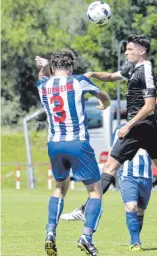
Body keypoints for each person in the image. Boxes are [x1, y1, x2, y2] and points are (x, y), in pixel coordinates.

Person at [61, 34, 157, 220]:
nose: (126, 52)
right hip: (147, 128)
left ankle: (84, 210)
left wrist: (128, 125)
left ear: (142, 51)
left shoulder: (146, 71)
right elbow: (110, 77)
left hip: (138, 126)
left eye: (130, 49)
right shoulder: (132, 68)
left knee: (109, 168)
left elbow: (149, 106)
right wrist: (91, 74)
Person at [35, 49, 111, 256]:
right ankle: (86, 236)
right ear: (70, 68)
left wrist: (43, 66)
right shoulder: (78, 81)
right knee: (95, 192)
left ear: (52, 68)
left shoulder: (43, 85)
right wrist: (105, 104)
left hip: (54, 144)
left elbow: (42, 76)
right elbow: (104, 96)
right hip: (77, 143)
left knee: (60, 188)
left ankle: (50, 232)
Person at [62, 124, 154, 251]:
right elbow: (113, 149)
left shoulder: (151, 128)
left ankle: (135, 240)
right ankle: (84, 209)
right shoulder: (122, 128)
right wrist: (108, 165)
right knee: (131, 206)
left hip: (146, 178)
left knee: (140, 211)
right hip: (127, 175)